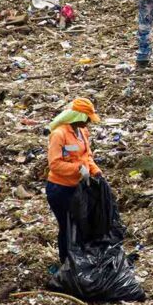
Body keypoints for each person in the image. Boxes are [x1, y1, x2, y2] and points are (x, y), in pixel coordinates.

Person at [45, 98, 102, 264]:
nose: (89, 122)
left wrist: (94, 170)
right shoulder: (59, 134)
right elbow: (55, 164)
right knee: (67, 226)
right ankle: (66, 262)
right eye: (87, 118)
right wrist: (78, 169)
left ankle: (78, 259)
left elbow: (86, 155)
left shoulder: (83, 133)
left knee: (80, 224)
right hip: (60, 189)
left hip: (77, 187)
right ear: (78, 116)